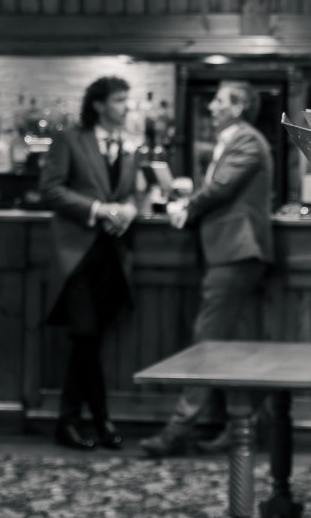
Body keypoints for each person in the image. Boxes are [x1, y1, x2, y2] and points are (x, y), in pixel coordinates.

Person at [139, 80, 274, 458]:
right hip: (229, 252)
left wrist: (186, 207)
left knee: (207, 340)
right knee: (229, 345)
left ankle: (180, 428)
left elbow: (221, 188)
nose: (211, 106)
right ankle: (244, 425)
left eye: (219, 100)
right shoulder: (234, 140)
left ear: (239, 106)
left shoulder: (247, 140)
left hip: (237, 250)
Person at [40, 76, 142, 451]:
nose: (126, 107)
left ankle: (68, 422)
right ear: (98, 104)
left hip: (113, 254)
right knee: (84, 334)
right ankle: (101, 420)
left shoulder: (129, 144)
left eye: (126, 99)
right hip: (76, 253)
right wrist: (98, 209)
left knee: (90, 339)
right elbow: (50, 189)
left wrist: (129, 209)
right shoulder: (70, 139)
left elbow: (132, 192)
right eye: (119, 100)